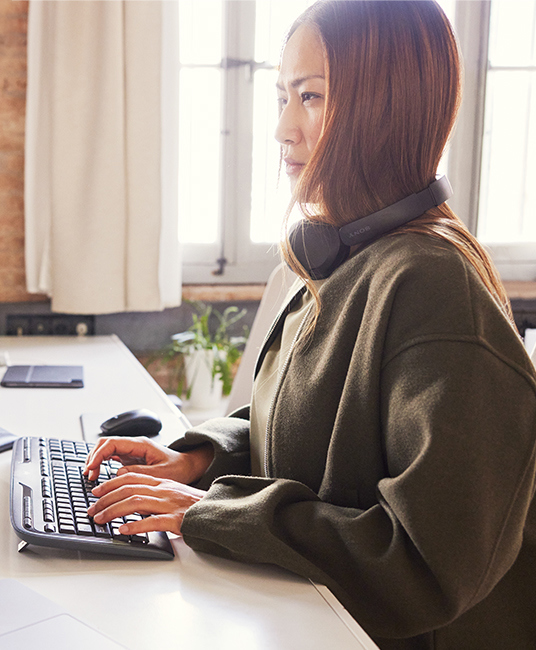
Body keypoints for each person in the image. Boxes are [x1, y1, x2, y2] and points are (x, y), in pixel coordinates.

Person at [84, 2, 536, 648]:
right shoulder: (340, 256)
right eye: (281, 96)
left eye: (311, 97)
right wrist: (198, 460)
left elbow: (425, 563)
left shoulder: (436, 291)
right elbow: (301, 431)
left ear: (387, 109)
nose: (283, 128)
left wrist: (215, 515)